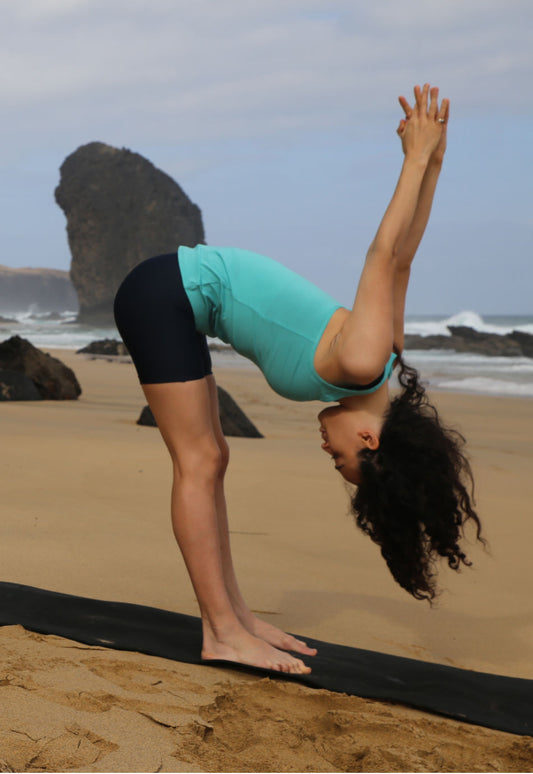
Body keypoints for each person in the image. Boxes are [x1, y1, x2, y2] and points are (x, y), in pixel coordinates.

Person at [114, 84, 483, 676]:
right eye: (339, 461)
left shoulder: (386, 355)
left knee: (213, 457)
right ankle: (222, 633)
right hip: (165, 295)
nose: (327, 452)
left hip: (179, 299)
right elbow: (383, 255)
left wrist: (435, 164)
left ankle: (235, 615)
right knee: (200, 461)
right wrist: (416, 159)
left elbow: (406, 258)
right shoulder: (366, 362)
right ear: (371, 441)